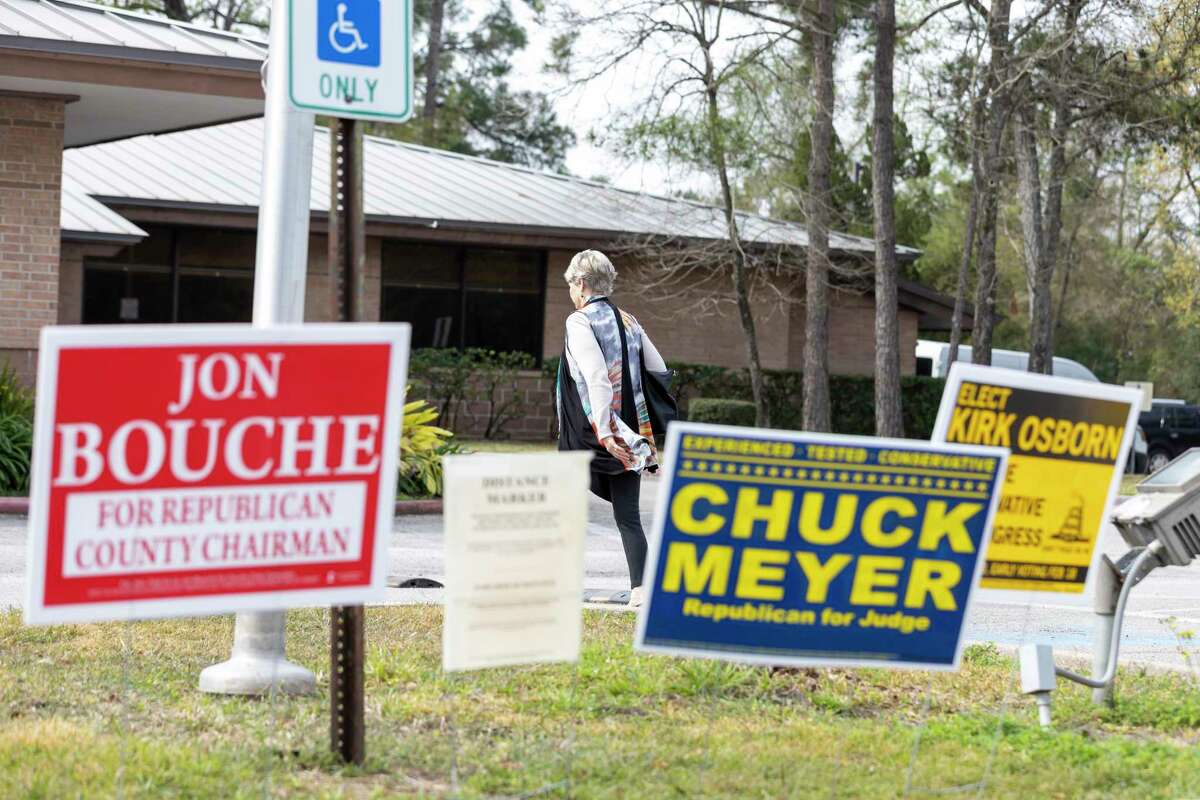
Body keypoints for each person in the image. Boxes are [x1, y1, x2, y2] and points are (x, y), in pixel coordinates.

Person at [556, 250, 667, 608]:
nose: (572, 292)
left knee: (566, 505)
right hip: (632, 431)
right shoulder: (629, 320)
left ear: (583, 284)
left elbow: (597, 378)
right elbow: (658, 368)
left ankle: (557, 580)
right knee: (628, 517)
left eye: (572, 284)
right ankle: (642, 589)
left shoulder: (580, 321)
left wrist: (604, 430)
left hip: (592, 430)